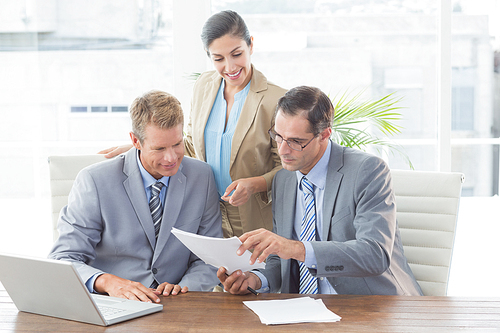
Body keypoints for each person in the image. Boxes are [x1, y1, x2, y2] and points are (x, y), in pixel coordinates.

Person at [217, 86, 423, 296]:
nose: (282, 150)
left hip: (370, 304)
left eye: (296, 141)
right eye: (278, 136)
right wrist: (256, 279)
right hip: (305, 309)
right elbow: (281, 260)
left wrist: (297, 249)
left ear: (324, 134)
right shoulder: (283, 179)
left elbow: (375, 254)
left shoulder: (367, 171)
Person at [99, 10, 287, 238]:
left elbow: (289, 168)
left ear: (251, 46)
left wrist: (254, 184)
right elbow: (189, 144)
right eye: (218, 58)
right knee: (210, 272)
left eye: (236, 54)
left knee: (251, 273)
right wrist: (137, 147)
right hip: (205, 211)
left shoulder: (275, 100)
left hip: (253, 216)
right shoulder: (204, 85)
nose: (229, 67)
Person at [49, 90, 223, 303]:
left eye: (177, 144)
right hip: (114, 303)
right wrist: (108, 282)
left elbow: (209, 257)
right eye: (159, 148)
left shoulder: (202, 177)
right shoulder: (94, 181)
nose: (171, 158)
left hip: (178, 306)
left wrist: (184, 288)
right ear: (135, 141)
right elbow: (63, 258)